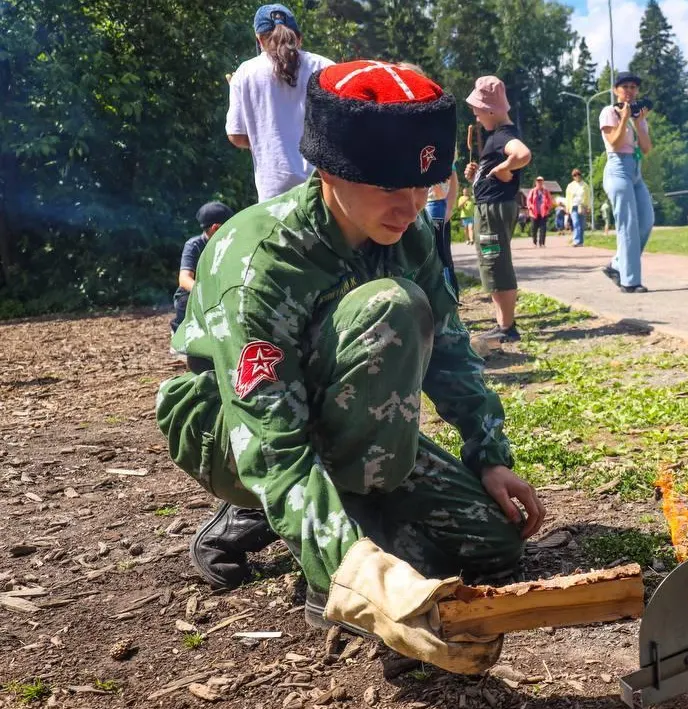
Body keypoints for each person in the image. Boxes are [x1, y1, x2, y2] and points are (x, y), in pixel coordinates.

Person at [157, 61, 545, 676]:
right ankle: (294, 523)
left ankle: (354, 519)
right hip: (232, 433)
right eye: (391, 186)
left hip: (356, 431)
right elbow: (271, 442)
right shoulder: (261, 259)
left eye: (424, 186)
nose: (411, 204)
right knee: (391, 308)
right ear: (331, 170)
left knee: (495, 547)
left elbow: (448, 350)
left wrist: (489, 453)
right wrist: (358, 576)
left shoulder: (407, 232)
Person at [226, 4, 334, 202]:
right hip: (322, 189)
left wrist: (263, 131)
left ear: (259, 38)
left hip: (274, 194)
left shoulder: (245, 73)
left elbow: (236, 136)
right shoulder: (325, 67)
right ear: (298, 37)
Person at [464, 76, 531, 343]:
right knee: (494, 261)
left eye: (478, 111)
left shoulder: (503, 135)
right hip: (491, 206)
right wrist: (477, 176)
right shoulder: (498, 136)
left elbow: (523, 155)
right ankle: (503, 323)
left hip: (492, 211)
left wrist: (503, 168)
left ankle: (506, 327)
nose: (477, 117)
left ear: (491, 110)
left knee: (495, 263)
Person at [599, 71, 654, 293]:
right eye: (625, 87)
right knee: (627, 224)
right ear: (616, 90)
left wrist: (639, 122)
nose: (630, 91)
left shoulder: (638, 117)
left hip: (636, 170)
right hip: (617, 169)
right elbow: (614, 142)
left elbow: (647, 148)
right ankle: (630, 281)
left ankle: (617, 265)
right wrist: (623, 118)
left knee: (647, 220)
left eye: (633, 87)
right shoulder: (609, 112)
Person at [172, 202, 235, 335]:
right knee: (185, 299)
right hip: (199, 291)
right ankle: (180, 333)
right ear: (216, 228)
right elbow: (184, 279)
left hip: (224, 288)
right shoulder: (194, 245)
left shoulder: (231, 243)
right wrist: (206, 292)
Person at [426, 170, 460, 289]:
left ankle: (446, 291)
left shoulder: (437, 154)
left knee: (440, 252)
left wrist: (449, 206)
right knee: (435, 251)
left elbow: (453, 177)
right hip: (433, 203)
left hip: (434, 204)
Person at [526, 177, 553, 248]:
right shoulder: (532, 191)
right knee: (534, 228)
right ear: (536, 182)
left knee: (543, 228)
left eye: (541, 181)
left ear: (543, 182)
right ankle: (534, 243)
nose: (539, 182)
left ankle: (542, 243)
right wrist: (530, 207)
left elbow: (550, 200)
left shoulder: (546, 191)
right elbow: (528, 200)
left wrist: (548, 207)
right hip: (534, 213)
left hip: (543, 213)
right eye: (538, 181)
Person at [565, 168, 589, 247]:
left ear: (580, 175)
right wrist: (567, 207)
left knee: (581, 225)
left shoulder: (585, 185)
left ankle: (581, 242)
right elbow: (567, 197)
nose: (577, 176)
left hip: (582, 206)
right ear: (573, 177)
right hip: (573, 206)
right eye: (575, 175)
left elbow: (588, 197)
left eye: (578, 174)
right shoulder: (570, 185)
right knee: (576, 223)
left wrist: (588, 207)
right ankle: (576, 241)